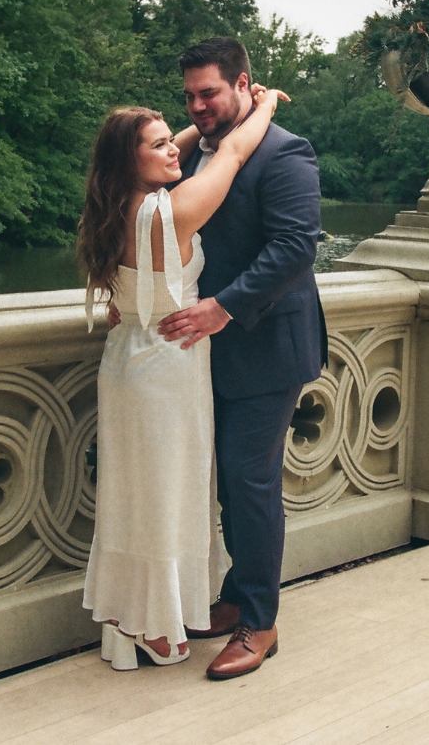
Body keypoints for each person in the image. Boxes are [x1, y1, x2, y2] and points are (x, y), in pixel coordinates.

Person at [78, 85, 286, 671]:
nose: (177, 149)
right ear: (131, 160)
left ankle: (129, 614)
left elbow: (172, 148)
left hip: (125, 362)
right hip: (168, 369)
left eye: (175, 138)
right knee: (169, 496)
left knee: (132, 495)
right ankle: (157, 625)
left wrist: (174, 134)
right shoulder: (169, 212)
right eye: (161, 145)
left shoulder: (113, 206)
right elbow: (233, 155)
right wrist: (265, 105)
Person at [158, 37, 327, 680]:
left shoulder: (286, 154)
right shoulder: (197, 152)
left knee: (249, 483)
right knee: (226, 480)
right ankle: (235, 595)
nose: (200, 105)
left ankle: (260, 621)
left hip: (267, 344)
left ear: (242, 84)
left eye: (210, 92)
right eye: (191, 96)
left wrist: (221, 307)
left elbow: (294, 249)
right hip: (206, 349)